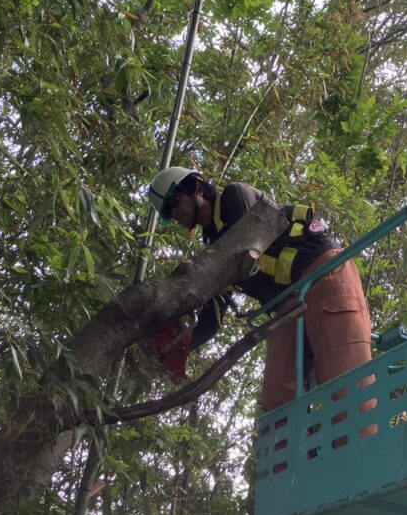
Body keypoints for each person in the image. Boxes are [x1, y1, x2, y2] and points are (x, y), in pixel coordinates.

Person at [147, 166, 374, 412]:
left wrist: (193, 279)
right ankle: (300, 450)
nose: (175, 213)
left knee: (346, 382)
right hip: (289, 303)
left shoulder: (235, 196)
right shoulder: (212, 246)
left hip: (322, 273)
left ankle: (363, 445)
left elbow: (241, 246)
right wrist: (184, 346)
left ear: (197, 188)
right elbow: (213, 315)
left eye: (174, 201)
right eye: (168, 213)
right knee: (280, 400)